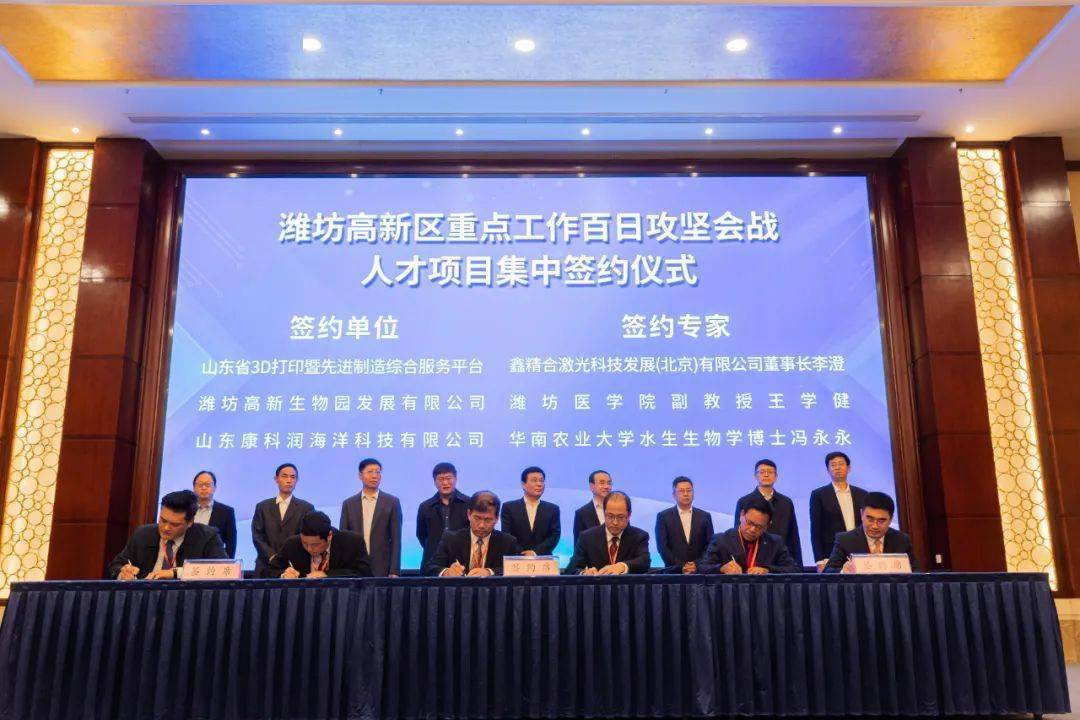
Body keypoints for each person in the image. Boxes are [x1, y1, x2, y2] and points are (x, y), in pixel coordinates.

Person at [107, 490, 226, 580]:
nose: (166, 528)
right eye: (163, 520)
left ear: (190, 522)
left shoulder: (207, 537)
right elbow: (115, 565)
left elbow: (225, 570)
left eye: (175, 524)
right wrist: (122, 572)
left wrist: (176, 573)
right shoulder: (143, 534)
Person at [426, 491, 521, 576]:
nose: (481, 525)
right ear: (469, 514)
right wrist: (446, 572)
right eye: (477, 518)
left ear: (496, 519)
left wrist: (490, 572)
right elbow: (431, 568)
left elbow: (515, 570)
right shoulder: (451, 539)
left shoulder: (508, 542)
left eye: (488, 520)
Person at [699, 497, 799, 574]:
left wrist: (768, 570)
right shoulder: (721, 540)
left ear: (767, 526)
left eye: (759, 526)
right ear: (741, 515)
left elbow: (794, 569)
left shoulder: (775, 543)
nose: (752, 529)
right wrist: (721, 568)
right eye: (749, 523)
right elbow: (703, 567)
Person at [825, 492, 920, 572]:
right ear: (861, 514)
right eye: (870, 519)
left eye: (881, 521)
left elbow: (917, 573)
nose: (875, 526)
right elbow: (827, 572)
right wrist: (843, 571)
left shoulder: (902, 540)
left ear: (891, 519)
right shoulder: (845, 540)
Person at [339, 458, 403, 577]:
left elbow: (396, 539)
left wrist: (394, 570)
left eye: (378, 472)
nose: (374, 476)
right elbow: (343, 538)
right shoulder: (349, 504)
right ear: (360, 475)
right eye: (370, 472)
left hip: (382, 567)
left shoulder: (392, 502)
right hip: (354, 567)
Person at [733, 459, 803, 566]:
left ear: (776, 476)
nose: (766, 475)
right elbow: (737, 532)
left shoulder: (786, 502)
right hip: (753, 559)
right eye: (762, 472)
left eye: (770, 472)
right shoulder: (744, 501)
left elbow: (793, 536)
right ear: (755, 476)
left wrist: (798, 566)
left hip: (780, 559)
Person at [265, 511, 372, 578]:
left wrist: (327, 574)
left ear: (329, 536)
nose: (309, 549)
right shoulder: (292, 544)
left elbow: (364, 573)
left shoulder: (351, 542)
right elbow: (268, 570)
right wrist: (283, 574)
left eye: (315, 545)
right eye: (305, 543)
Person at [251, 463, 315, 576]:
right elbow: (257, 536)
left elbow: (309, 538)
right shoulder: (262, 507)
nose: (289, 480)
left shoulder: (306, 508)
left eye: (293, 477)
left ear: (296, 481)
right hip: (266, 566)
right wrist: (271, 556)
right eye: (284, 476)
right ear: (276, 479)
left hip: (295, 568)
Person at [566, 491, 651, 575]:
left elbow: (644, 561)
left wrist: (622, 566)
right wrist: (584, 573)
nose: (615, 522)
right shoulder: (587, 537)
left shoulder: (639, 537)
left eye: (620, 517)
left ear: (629, 515)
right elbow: (571, 570)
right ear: (604, 513)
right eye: (610, 516)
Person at [808, 452, 868, 571]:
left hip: (860, 552)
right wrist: (819, 560)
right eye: (833, 465)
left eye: (841, 464)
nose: (837, 467)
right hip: (831, 554)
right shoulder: (819, 495)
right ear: (828, 470)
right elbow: (816, 530)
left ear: (849, 468)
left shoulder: (863, 494)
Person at [416, 461, 470, 571]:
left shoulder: (469, 503)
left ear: (456, 479)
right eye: (441, 479)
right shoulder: (425, 506)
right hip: (432, 562)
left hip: (463, 561)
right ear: (435, 482)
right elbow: (421, 535)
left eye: (449, 478)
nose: (445, 483)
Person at [655, 476, 714, 573]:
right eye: (681, 491)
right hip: (673, 573)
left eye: (689, 490)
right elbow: (662, 547)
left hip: (699, 572)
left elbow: (710, 546)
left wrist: (696, 564)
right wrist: (681, 567)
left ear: (693, 493)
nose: (686, 494)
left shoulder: (705, 516)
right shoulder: (663, 517)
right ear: (674, 495)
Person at [500, 466, 561, 556]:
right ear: (523, 484)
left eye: (541, 480)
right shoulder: (509, 507)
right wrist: (522, 553)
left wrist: (535, 552)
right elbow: (506, 534)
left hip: (543, 559)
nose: (539, 484)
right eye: (534, 480)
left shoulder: (553, 509)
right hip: (516, 558)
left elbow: (554, 535)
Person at [192, 470, 238, 558]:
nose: (204, 488)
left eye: (208, 485)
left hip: (214, 561)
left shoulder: (226, 512)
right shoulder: (186, 510)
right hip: (188, 561)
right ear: (194, 488)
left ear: (214, 488)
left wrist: (227, 563)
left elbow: (231, 543)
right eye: (200, 485)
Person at [572, 469, 612, 544]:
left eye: (609, 483)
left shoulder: (620, 509)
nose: (606, 486)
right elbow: (578, 544)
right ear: (591, 486)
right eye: (602, 483)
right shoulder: (582, 513)